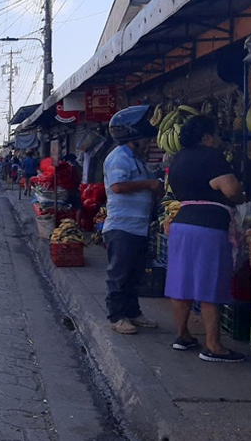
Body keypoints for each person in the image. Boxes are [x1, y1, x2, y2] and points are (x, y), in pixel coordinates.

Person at [165, 115, 245, 363]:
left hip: (181, 225)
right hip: (208, 227)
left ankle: (183, 335)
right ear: (207, 137)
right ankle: (213, 346)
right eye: (216, 135)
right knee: (210, 284)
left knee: (182, 283)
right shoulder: (212, 157)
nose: (219, 140)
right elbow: (231, 190)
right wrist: (241, 195)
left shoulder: (177, 159)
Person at [103, 105, 161, 335]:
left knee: (135, 274)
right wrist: (148, 184)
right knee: (119, 274)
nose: (148, 145)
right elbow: (117, 187)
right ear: (133, 140)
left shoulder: (136, 159)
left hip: (138, 227)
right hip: (122, 228)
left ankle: (133, 313)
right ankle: (116, 316)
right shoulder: (119, 158)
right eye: (145, 140)